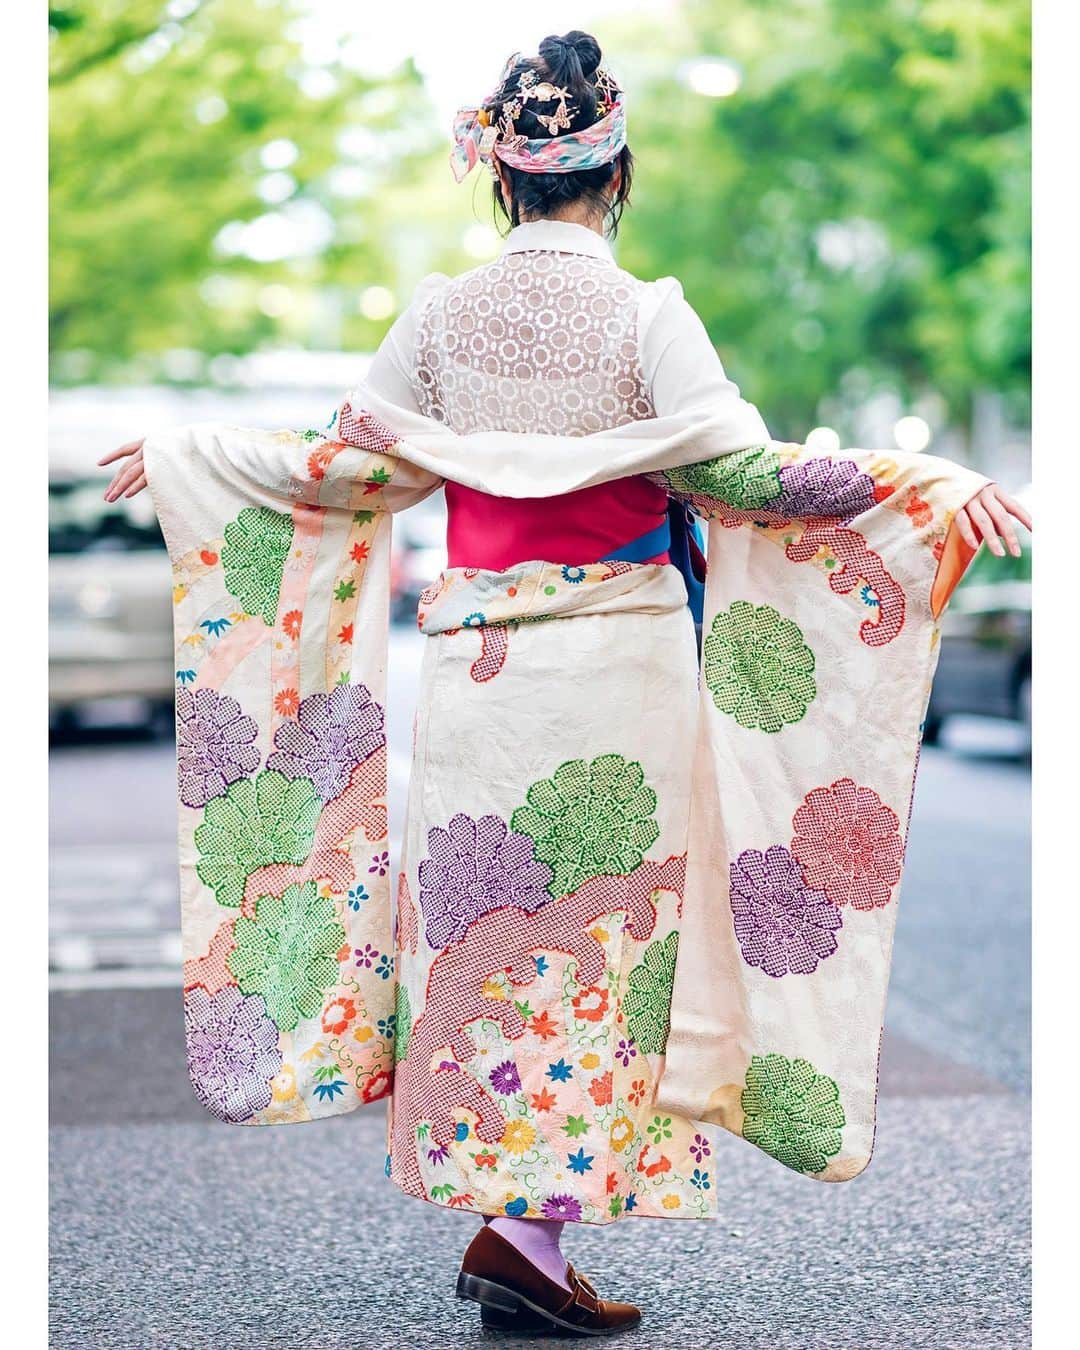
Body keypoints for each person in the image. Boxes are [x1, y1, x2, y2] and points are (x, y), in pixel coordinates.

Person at [101, 31, 1030, 1339]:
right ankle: (528, 1231)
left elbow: (348, 467)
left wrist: (194, 455)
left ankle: (520, 1227)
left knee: (493, 939)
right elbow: (750, 478)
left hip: (482, 676)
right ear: (616, 170)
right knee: (605, 943)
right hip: (617, 670)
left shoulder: (438, 314)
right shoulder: (650, 313)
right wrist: (925, 491)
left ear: (502, 174)